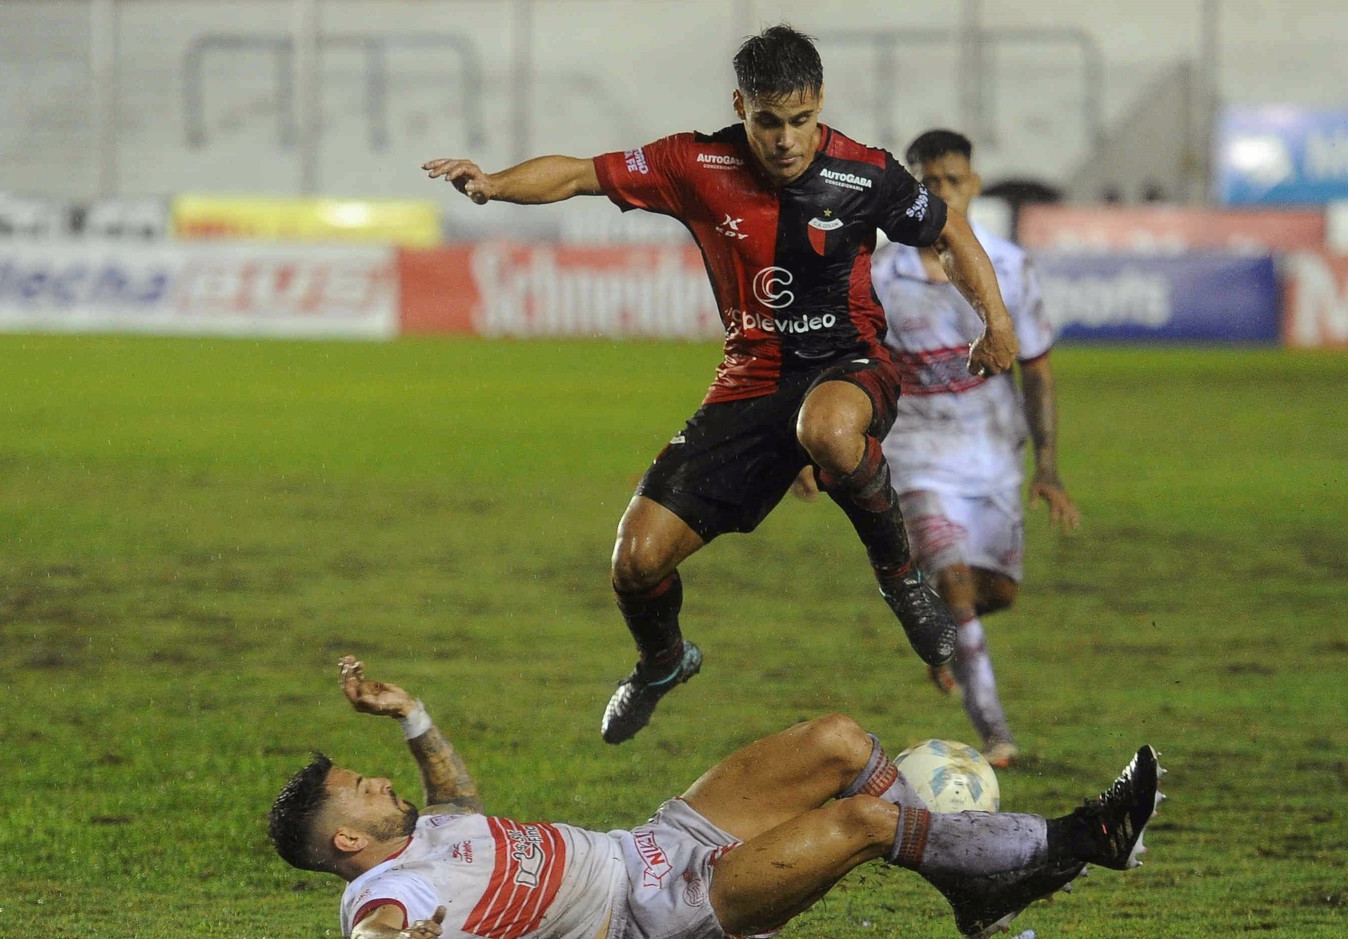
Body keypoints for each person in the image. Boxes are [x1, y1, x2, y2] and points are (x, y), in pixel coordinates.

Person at [423, 25, 1020, 744]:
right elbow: (580, 173)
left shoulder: (865, 174)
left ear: (819, 103)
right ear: (741, 106)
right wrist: (492, 183)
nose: (785, 140)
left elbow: (948, 230)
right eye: (767, 121)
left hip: (849, 365)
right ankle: (662, 662)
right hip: (747, 386)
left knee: (828, 431)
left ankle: (900, 582)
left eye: (799, 121)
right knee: (635, 563)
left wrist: (995, 321)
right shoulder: (693, 162)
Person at [267, 657, 1165, 939]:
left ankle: (975, 897)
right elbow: (374, 937)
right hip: (652, 919)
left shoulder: (431, 829)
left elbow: (457, 795)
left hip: (655, 843)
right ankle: (1083, 838)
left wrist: (411, 713)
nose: (382, 785)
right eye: (363, 790)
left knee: (837, 741)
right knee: (858, 822)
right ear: (348, 840)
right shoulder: (390, 890)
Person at [870, 129, 1078, 766]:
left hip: (992, 456)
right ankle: (995, 734)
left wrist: (1046, 466)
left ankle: (932, 619)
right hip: (916, 456)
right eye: (925, 182)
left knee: (996, 593)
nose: (938, 194)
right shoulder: (880, 275)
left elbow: (1036, 369)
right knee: (957, 582)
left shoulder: (1010, 268)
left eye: (950, 181)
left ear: (974, 186)